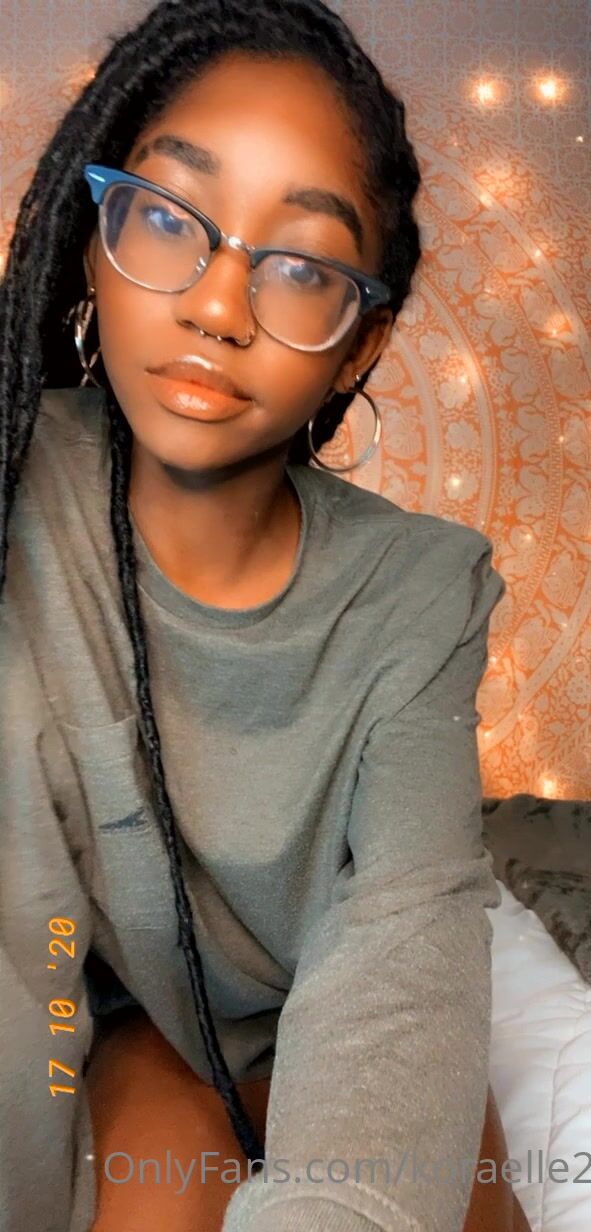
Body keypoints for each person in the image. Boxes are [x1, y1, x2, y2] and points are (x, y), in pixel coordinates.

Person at [0, 2, 528, 1230]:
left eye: (299, 265)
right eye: (168, 217)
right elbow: (20, 940)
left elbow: (405, 919)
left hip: (347, 1016)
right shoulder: (19, 494)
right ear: (94, 238)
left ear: (359, 344)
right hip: (143, 1015)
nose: (217, 305)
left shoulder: (421, 588)